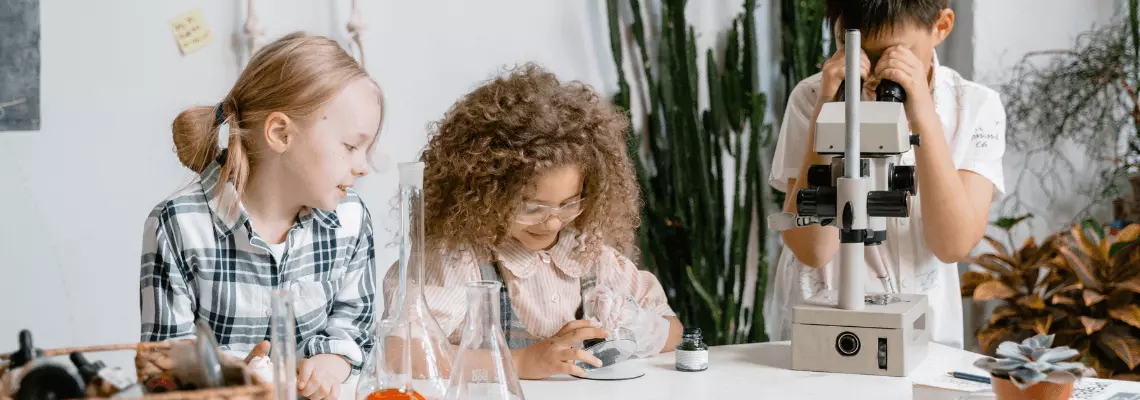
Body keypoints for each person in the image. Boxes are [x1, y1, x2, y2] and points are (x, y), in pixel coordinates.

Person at [382, 63, 683, 380]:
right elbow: (400, 354)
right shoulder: (460, 260)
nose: (552, 223)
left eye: (569, 204)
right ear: (485, 193)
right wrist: (521, 362)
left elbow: (675, 332)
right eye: (532, 208)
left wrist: (637, 324)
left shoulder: (589, 255)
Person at [140, 32, 384, 400]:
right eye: (351, 146)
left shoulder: (351, 219)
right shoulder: (177, 225)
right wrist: (233, 379)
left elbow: (356, 325)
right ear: (280, 133)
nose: (363, 166)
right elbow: (163, 370)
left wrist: (331, 362)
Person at [764, 0, 1006, 350]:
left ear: (940, 27)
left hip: (922, 329)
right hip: (821, 319)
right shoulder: (813, 97)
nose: (876, 72)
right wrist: (828, 110)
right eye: (859, 52)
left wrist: (922, 114)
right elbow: (812, 249)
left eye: (895, 54)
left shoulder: (974, 107)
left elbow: (953, 245)